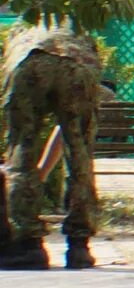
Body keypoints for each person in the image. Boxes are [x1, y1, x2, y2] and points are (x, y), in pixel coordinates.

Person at [2, 25, 105, 270]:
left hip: (27, 62)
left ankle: (29, 245)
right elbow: (66, 134)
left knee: (21, 150)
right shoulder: (78, 32)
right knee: (80, 153)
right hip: (77, 66)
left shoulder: (18, 33)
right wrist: (44, 171)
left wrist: (31, 175)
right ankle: (79, 246)